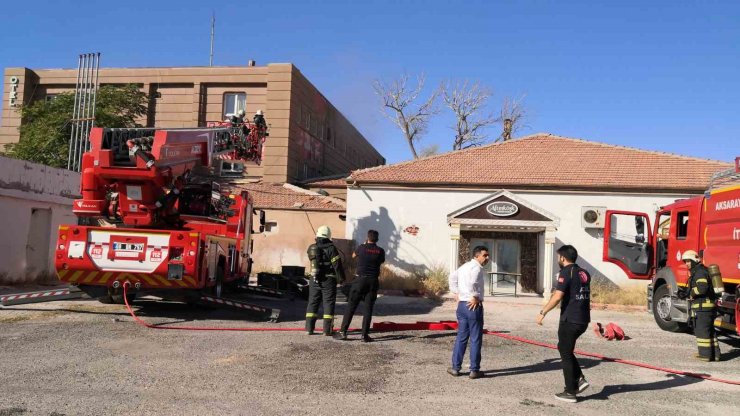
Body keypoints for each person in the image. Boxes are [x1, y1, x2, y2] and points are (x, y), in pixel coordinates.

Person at [536, 245, 591, 403]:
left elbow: (557, 296)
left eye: (558, 257)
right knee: (564, 348)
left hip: (570, 319)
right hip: (583, 319)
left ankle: (570, 392)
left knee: (565, 354)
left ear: (562, 258)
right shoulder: (583, 272)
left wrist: (542, 312)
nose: (557, 259)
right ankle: (579, 379)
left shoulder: (566, 272)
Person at [334, 230, 386, 342]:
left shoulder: (361, 248)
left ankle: (343, 332)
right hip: (373, 281)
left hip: (360, 280)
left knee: (351, 306)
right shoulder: (380, 251)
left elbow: (353, 256)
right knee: (368, 309)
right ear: (377, 239)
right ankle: (364, 335)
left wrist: (364, 244)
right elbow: (381, 261)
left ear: (367, 237)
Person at [447, 245, 489, 380]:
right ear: (477, 255)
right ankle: (474, 370)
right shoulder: (476, 268)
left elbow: (452, 277)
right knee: (476, 338)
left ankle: (455, 367)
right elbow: (472, 283)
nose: (487, 258)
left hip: (462, 305)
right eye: (485, 255)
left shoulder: (464, 266)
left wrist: (456, 292)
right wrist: (475, 296)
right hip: (472, 305)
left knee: (461, 337)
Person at [677, 250, 720, 361]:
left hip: (702, 307)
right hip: (707, 306)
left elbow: (702, 288)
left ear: (693, 260)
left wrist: (690, 293)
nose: (686, 264)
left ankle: (705, 355)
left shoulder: (699, 272)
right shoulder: (700, 271)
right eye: (685, 261)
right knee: (709, 330)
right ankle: (715, 354)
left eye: (688, 261)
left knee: (702, 331)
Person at [305, 225, 346, 336]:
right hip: (328, 279)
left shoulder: (312, 247)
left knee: (313, 302)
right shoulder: (331, 248)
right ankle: (327, 330)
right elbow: (337, 265)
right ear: (329, 235)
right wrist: (341, 279)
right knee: (328, 303)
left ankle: (309, 329)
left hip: (314, 279)